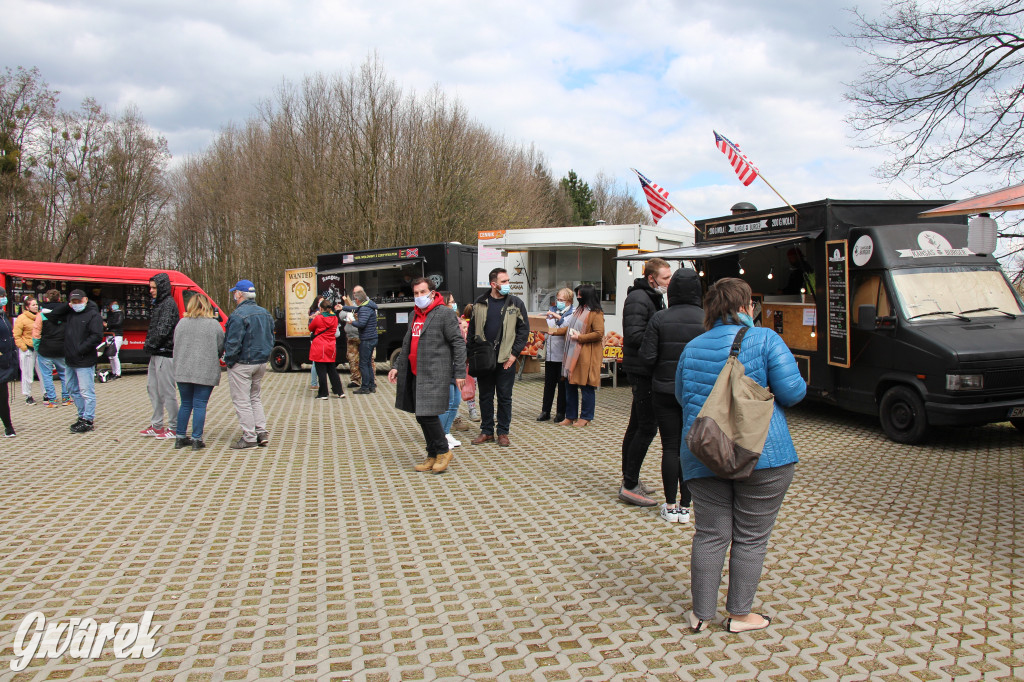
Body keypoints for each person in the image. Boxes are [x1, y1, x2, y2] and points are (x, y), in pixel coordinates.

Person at [676, 277, 806, 633]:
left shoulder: (692, 347)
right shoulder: (765, 340)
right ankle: (739, 615)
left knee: (710, 533)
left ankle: (700, 615)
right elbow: (793, 392)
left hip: (704, 453)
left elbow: (680, 396)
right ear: (746, 306)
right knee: (751, 536)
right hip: (763, 454)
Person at [638, 268, 703, 524]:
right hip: (695, 393)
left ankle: (669, 505)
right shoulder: (708, 318)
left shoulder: (659, 319)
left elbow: (647, 357)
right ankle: (686, 507)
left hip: (664, 390)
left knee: (670, 447)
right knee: (690, 447)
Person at [387, 278, 466, 473]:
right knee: (421, 416)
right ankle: (432, 454)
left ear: (433, 292)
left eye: (423, 292)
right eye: (416, 293)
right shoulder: (414, 314)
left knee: (427, 414)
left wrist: (460, 372)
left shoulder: (444, 314)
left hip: (435, 373)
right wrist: (397, 365)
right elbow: (407, 343)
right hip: (415, 373)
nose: (419, 297)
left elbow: (458, 343)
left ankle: (443, 451)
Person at [620, 257, 673, 507]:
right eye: (665, 278)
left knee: (636, 425)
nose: (669, 282)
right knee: (646, 427)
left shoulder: (651, 297)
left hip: (644, 369)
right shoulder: (639, 298)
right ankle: (629, 485)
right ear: (652, 278)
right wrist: (662, 341)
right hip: (642, 371)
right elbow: (633, 335)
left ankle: (630, 479)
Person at [468, 267, 529, 447]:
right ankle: (487, 431)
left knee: (504, 397)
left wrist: (514, 354)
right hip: (484, 359)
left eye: (508, 281)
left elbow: (523, 331)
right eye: (504, 282)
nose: (507, 284)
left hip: (506, 359)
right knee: (485, 396)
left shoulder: (516, 303)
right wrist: (470, 354)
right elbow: (472, 330)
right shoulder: (480, 302)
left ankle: (503, 432)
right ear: (493, 284)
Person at [223, 279, 275, 449]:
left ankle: (249, 437)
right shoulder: (265, 313)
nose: (233, 295)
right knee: (255, 397)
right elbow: (271, 338)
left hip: (243, 362)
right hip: (260, 362)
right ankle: (261, 431)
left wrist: (229, 361)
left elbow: (233, 343)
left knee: (242, 401)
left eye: (234, 293)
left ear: (239, 294)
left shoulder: (237, 316)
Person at [172, 295, 225, 450]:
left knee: (185, 404)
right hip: (205, 370)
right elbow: (220, 346)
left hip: (183, 369)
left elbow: (176, 343)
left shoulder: (181, 323)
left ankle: (180, 437)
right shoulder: (213, 325)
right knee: (200, 404)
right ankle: (196, 439)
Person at [548, 284, 604, 427]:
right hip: (572, 354)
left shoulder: (595, 313)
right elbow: (569, 328)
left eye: (580, 294)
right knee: (569, 384)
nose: (578, 297)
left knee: (586, 386)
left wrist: (580, 337)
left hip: (586, 356)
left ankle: (586, 416)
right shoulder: (579, 310)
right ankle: (570, 416)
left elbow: (599, 334)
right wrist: (554, 331)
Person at [140, 273, 179, 439]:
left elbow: (162, 330)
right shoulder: (159, 304)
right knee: (153, 389)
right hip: (156, 352)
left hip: (165, 353)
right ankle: (157, 425)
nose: (151, 291)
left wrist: (149, 344)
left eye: (154, 287)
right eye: (150, 287)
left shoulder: (168, 305)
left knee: (166, 391)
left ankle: (175, 426)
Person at [63, 289, 104, 433]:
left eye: (78, 301)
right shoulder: (70, 315)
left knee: (87, 391)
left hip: (84, 359)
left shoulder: (93, 316)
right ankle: (81, 415)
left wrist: (80, 349)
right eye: (73, 302)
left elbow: (96, 336)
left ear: (85, 300)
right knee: (72, 389)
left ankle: (88, 419)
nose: (76, 304)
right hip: (70, 359)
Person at [537, 288, 574, 422]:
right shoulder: (552, 311)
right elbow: (548, 329)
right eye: (557, 299)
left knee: (562, 385)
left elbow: (566, 327)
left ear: (569, 301)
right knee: (549, 384)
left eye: (562, 300)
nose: (558, 302)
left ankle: (560, 412)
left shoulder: (572, 313)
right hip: (551, 354)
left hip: (563, 354)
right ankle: (545, 410)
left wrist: (558, 317)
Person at [436, 291, 464, 449]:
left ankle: (446, 432)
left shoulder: (457, 319)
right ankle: (440, 435)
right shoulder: (442, 320)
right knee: (448, 402)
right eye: (451, 302)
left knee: (455, 402)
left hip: (456, 366)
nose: (454, 304)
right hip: (446, 366)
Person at [34, 290, 71, 408]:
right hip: (61, 348)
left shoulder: (41, 315)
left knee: (46, 375)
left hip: (45, 349)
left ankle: (52, 400)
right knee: (65, 374)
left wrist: (37, 347)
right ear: (59, 299)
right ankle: (66, 398)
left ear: (47, 299)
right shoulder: (66, 313)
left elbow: (36, 334)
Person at [343, 285, 379, 394]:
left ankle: (365, 387)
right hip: (372, 337)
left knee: (363, 364)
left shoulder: (364, 309)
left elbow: (361, 324)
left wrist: (351, 322)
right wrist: (343, 307)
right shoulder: (368, 305)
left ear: (358, 300)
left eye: (355, 300)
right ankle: (371, 386)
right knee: (368, 363)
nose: (355, 301)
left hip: (367, 339)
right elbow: (355, 309)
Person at [308, 298, 346, 400]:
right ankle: (339, 391)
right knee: (332, 370)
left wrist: (315, 317)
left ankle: (323, 393)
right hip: (331, 346)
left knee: (321, 371)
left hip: (320, 347)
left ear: (321, 308)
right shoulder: (334, 318)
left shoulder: (319, 318)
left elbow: (310, 328)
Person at [14, 296, 39, 404]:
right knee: (27, 373)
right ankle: (28, 395)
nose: (36, 306)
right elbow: (16, 334)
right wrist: (23, 347)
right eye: (33, 305)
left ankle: (46, 394)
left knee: (43, 373)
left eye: (36, 304)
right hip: (27, 349)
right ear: (27, 307)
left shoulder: (40, 316)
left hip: (39, 349)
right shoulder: (21, 318)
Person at [0, 287, 17, 436]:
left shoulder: (3, 315)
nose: (4, 299)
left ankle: (8, 426)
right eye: (2, 296)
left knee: (3, 397)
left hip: (4, 363)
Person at [104, 300, 124, 379]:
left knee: (115, 354)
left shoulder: (120, 313)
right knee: (110, 355)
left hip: (116, 335)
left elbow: (118, 323)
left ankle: (118, 373)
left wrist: (108, 325)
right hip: (110, 335)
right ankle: (114, 372)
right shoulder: (111, 314)